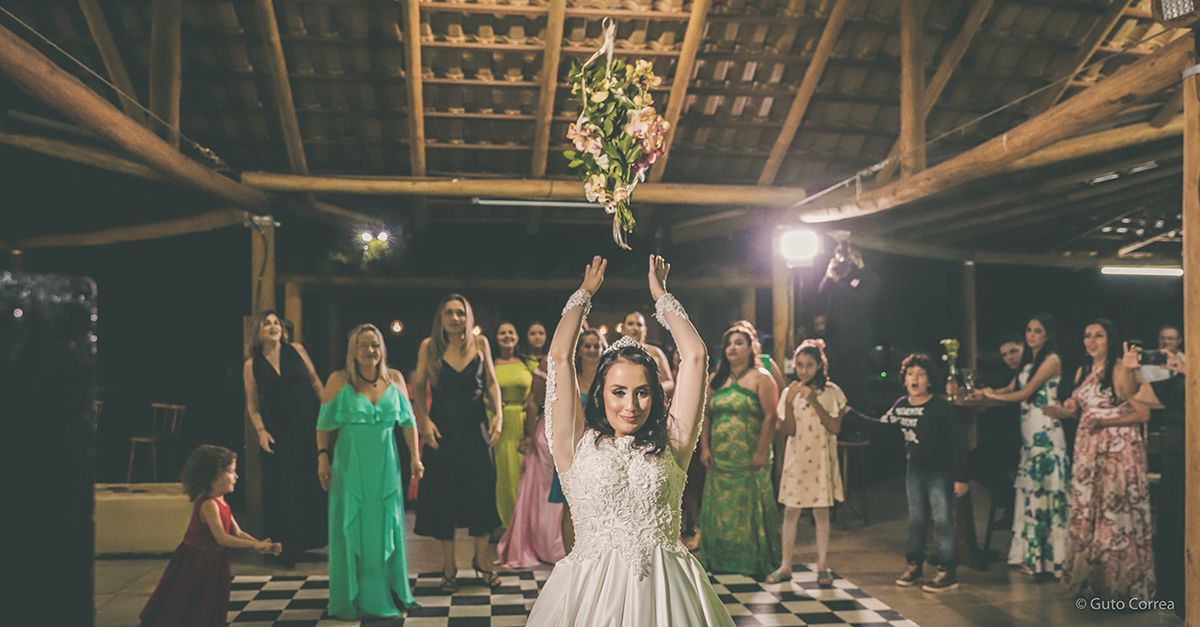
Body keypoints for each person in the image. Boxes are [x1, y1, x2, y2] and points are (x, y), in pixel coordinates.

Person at [526, 255, 733, 626]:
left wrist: (662, 297)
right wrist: (583, 294)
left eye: (642, 392)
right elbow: (559, 356)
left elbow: (696, 356)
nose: (631, 406)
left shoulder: (673, 442)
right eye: (619, 392)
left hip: (667, 596)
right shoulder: (574, 444)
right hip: (589, 597)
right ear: (601, 392)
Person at [316, 324, 424, 620]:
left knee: (386, 525)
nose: (369, 350)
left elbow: (409, 422)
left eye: (374, 344)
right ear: (353, 350)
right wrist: (322, 458)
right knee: (352, 526)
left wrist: (415, 458)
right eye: (363, 345)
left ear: (382, 349)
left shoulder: (395, 378)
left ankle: (394, 591)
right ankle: (353, 596)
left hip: (386, 464)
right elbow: (323, 424)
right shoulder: (339, 380)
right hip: (349, 463)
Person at [1049, 319, 1153, 601]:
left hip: (1116, 451)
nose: (1091, 341)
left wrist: (1104, 423)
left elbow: (1142, 414)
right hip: (1088, 449)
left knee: (1114, 517)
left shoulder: (1120, 369)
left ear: (1110, 340)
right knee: (1089, 515)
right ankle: (1092, 581)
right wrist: (1069, 408)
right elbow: (1085, 407)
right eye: (1087, 335)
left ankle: (1120, 587)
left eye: (1099, 336)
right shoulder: (1084, 370)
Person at [411, 294, 504, 592]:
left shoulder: (481, 344)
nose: (455, 318)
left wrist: (499, 415)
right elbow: (417, 386)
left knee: (482, 492)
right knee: (444, 497)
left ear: (468, 317)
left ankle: (481, 560)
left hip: (476, 429)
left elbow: (491, 382)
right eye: (449, 313)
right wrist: (424, 420)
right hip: (442, 432)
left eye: (460, 313)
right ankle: (449, 566)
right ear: (441, 318)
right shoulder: (429, 346)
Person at [854, 353, 968, 592]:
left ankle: (948, 571)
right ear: (904, 379)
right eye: (910, 374)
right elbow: (881, 426)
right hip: (914, 472)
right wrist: (849, 415)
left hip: (940, 473)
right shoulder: (901, 405)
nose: (914, 378)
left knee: (943, 521)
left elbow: (958, 443)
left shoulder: (940, 406)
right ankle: (914, 565)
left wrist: (961, 477)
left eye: (921, 374)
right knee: (916, 521)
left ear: (929, 380)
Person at [140, 445, 280, 627]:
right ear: (213, 477)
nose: (236, 476)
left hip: (214, 560)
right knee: (188, 602)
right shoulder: (209, 504)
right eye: (231, 471)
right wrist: (255, 545)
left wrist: (261, 544)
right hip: (196, 561)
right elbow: (222, 538)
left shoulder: (222, 501)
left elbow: (237, 532)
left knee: (210, 601)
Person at [980, 316, 1068, 578]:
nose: (1031, 335)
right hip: (1030, 432)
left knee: (1044, 492)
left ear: (1047, 334)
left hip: (1045, 430)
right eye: (1028, 330)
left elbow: (1024, 393)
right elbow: (1011, 387)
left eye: (1037, 331)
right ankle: (1031, 555)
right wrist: (987, 392)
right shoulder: (1030, 362)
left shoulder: (1051, 359)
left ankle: (1049, 559)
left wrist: (993, 395)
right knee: (1032, 493)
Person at [242, 311, 327, 566]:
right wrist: (261, 431)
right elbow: (253, 404)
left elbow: (316, 382)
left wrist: (329, 415)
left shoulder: (297, 350)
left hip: (307, 425)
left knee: (308, 480)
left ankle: (309, 541)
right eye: (267, 323)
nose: (273, 326)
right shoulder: (252, 365)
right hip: (278, 430)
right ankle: (283, 546)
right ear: (257, 331)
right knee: (282, 486)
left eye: (276, 323)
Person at [697, 325, 781, 577]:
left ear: (751, 347)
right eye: (729, 344)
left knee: (749, 510)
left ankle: (753, 561)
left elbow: (771, 416)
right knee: (721, 511)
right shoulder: (715, 379)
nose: (732, 348)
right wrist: (704, 447)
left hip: (750, 458)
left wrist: (761, 452)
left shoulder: (762, 378)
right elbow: (706, 415)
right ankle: (720, 559)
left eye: (739, 343)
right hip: (719, 459)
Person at [766, 339, 847, 587]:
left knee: (821, 512)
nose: (803, 370)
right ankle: (786, 565)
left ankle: (822, 565)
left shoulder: (831, 392)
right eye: (799, 365)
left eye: (809, 365)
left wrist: (814, 400)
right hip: (797, 461)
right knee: (791, 512)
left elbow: (834, 428)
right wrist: (789, 403)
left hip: (821, 460)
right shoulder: (789, 392)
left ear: (819, 365)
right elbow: (789, 430)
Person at [1121, 343, 1186, 619]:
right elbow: (1132, 393)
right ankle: (1180, 603)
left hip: (1192, 460)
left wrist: (1188, 370)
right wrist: (1128, 369)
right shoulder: (1177, 381)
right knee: (1173, 527)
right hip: (1176, 460)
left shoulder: (1188, 374)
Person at [496, 352, 567, 568]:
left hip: (579, 433)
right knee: (545, 491)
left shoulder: (590, 360)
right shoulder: (549, 360)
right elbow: (534, 400)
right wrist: (528, 435)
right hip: (549, 432)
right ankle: (547, 544)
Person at [816, 242, 878, 410]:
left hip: (855, 342)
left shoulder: (864, 278)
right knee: (836, 381)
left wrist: (861, 267)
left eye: (847, 258)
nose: (843, 263)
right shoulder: (835, 280)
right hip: (834, 341)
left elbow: (861, 298)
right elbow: (821, 295)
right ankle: (837, 417)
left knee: (856, 383)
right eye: (840, 258)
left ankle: (861, 418)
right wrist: (829, 275)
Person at [492, 321, 532, 527]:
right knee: (502, 477)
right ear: (496, 338)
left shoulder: (527, 363)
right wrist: (489, 401)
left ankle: (524, 526)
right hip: (499, 423)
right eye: (502, 333)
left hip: (524, 423)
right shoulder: (490, 363)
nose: (507, 336)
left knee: (523, 476)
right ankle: (504, 524)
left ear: (517, 337)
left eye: (511, 332)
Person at [620, 309, 675, 396]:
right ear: (623, 328)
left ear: (645, 330)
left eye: (639, 324)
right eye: (630, 324)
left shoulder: (656, 352)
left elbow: (669, 382)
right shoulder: (616, 353)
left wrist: (652, 391)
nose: (635, 328)